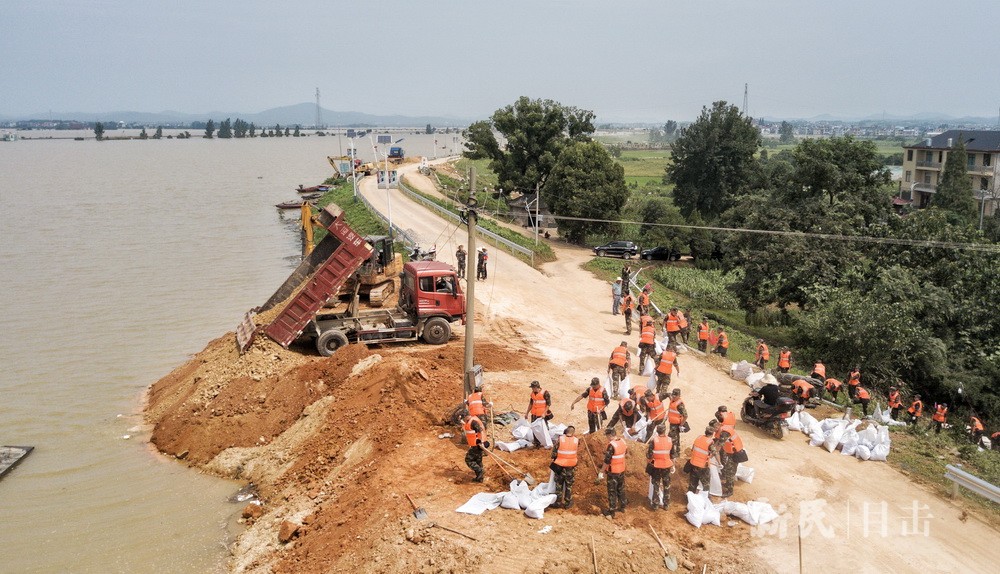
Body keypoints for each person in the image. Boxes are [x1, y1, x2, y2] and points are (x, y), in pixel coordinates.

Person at [602, 427, 628, 516]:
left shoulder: (611, 445)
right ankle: (622, 506)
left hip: (613, 471)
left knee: (612, 490)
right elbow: (625, 452)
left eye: (606, 436)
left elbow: (607, 461)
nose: (606, 438)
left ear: (609, 435)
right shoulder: (623, 441)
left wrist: (602, 471)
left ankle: (611, 511)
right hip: (621, 469)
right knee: (621, 488)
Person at [647, 424, 674, 510]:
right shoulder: (670, 440)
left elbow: (649, 455)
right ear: (665, 430)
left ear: (657, 431)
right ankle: (666, 505)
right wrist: (673, 465)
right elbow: (672, 454)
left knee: (656, 485)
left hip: (656, 466)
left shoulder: (653, 441)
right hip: (667, 466)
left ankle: (655, 505)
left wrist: (648, 463)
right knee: (666, 485)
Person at [551, 425, 578, 508]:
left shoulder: (560, 439)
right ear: (573, 433)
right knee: (569, 485)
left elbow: (554, 453)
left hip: (560, 466)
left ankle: (558, 503)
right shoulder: (576, 440)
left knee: (559, 485)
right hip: (570, 467)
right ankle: (567, 503)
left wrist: (554, 458)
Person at [687, 426, 716, 494]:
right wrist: (710, 457)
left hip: (693, 463)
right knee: (706, 484)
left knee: (693, 483)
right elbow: (714, 452)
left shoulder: (699, 438)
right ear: (712, 434)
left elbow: (692, 449)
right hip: (703, 466)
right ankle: (705, 499)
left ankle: (690, 498)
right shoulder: (710, 442)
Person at [462, 411, 489, 482]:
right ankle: (479, 478)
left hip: (477, 445)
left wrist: (480, 442)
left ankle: (480, 471)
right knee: (478, 460)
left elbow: (480, 431)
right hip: (477, 445)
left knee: (468, 460)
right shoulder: (471, 421)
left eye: (463, 418)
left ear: (466, 416)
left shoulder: (473, 422)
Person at [717, 428, 745, 498]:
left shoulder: (724, 433)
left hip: (735, 454)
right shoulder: (727, 430)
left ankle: (729, 491)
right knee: (728, 469)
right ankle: (727, 484)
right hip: (735, 452)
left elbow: (719, 445)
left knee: (730, 473)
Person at [524, 381, 552, 445]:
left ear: (537, 387)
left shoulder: (545, 393)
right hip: (534, 414)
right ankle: (536, 443)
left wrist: (544, 413)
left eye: (533, 388)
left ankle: (546, 442)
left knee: (544, 428)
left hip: (541, 415)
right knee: (535, 428)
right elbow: (531, 403)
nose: (532, 389)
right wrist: (527, 413)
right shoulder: (533, 393)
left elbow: (548, 404)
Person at [667, 388, 688, 458]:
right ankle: (677, 452)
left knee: (671, 438)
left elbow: (685, 415)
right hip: (672, 423)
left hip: (676, 425)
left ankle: (673, 454)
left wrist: (681, 424)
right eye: (673, 395)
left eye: (675, 396)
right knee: (676, 438)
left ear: (679, 395)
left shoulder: (680, 405)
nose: (673, 397)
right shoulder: (673, 400)